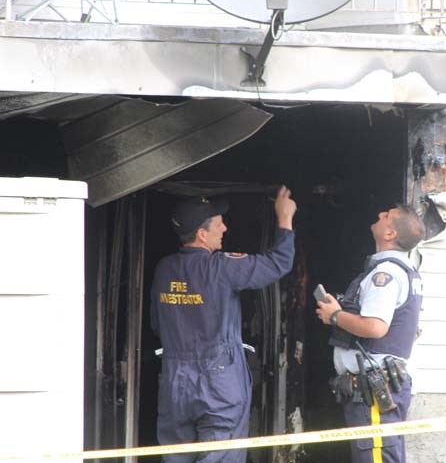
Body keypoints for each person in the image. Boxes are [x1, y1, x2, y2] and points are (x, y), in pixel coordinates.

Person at [150, 186, 297, 463]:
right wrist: (284, 219)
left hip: (174, 380)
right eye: (219, 223)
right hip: (217, 379)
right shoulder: (224, 267)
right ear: (202, 233)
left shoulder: (164, 269)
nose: (225, 228)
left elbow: (157, 324)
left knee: (175, 456)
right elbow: (278, 263)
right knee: (221, 455)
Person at [316, 204, 425, 463]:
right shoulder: (403, 271)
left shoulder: (385, 274)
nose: (379, 215)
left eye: (386, 216)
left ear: (390, 234)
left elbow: (376, 327)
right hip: (375, 388)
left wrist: (334, 315)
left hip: (375, 391)